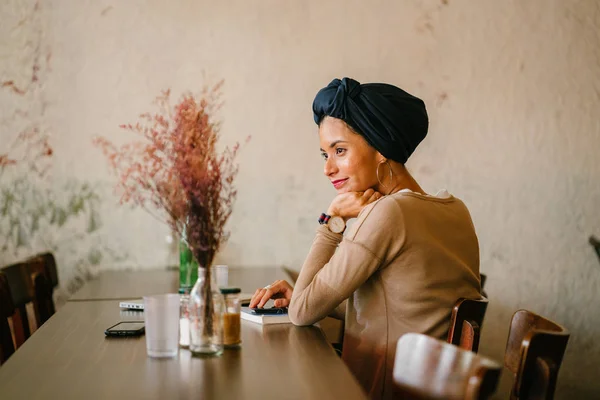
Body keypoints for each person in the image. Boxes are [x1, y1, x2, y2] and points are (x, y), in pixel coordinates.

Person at [249, 77, 481, 399]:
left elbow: (301, 313)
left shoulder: (389, 213)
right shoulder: (456, 209)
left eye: (340, 151)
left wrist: (331, 220)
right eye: (324, 155)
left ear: (381, 149)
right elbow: (405, 310)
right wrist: (312, 295)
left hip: (378, 390)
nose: (328, 169)